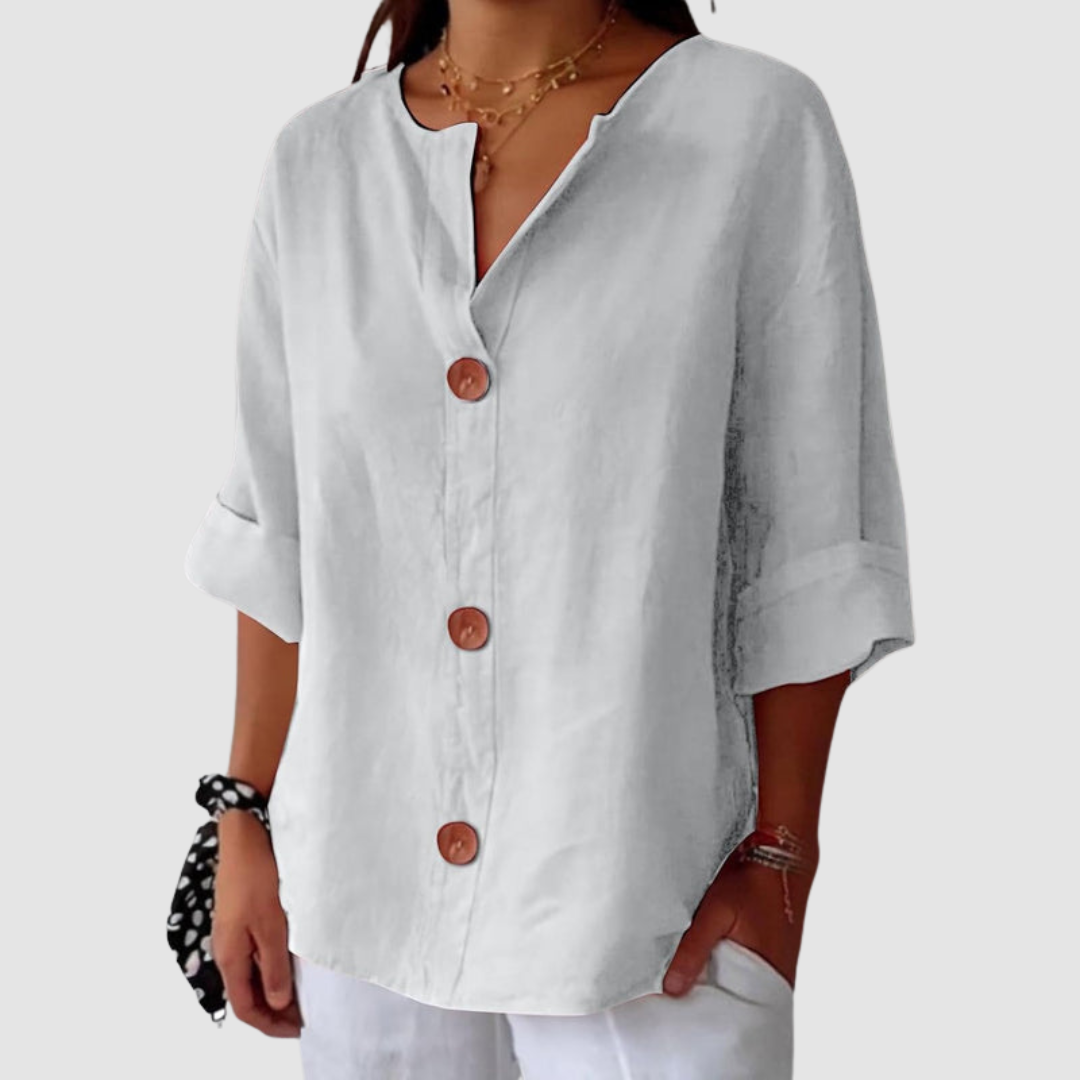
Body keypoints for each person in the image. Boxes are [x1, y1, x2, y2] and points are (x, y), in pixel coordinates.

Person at [182, 1, 915, 1076]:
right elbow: (278, 529)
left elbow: (808, 537)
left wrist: (782, 857)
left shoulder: (753, 127)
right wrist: (242, 814)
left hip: (651, 913)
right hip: (360, 905)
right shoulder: (317, 165)